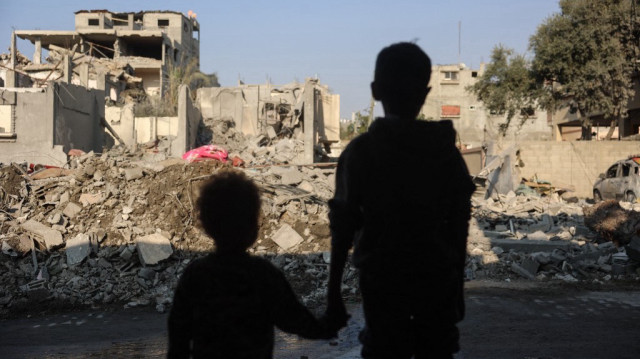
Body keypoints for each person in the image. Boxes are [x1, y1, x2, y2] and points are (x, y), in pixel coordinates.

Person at [324, 42, 475, 358]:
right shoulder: (445, 155)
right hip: (436, 283)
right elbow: (459, 227)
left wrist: (333, 294)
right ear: (425, 92)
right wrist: (456, 288)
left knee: (384, 348)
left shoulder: (361, 153)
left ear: (375, 90)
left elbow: (342, 229)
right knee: (437, 348)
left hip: (383, 283)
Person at [168, 170, 334, 359]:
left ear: (206, 225)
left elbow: (178, 336)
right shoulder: (263, 274)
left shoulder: (196, 275)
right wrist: (328, 326)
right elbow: (295, 321)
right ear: (253, 226)